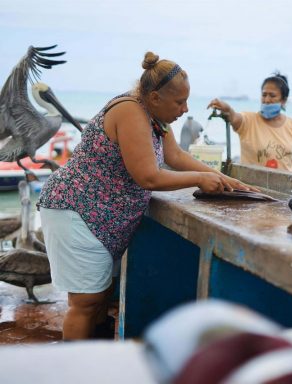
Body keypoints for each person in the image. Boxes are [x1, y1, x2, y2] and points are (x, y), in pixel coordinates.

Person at [37, 52, 254, 340]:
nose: (185, 109)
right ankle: (74, 371)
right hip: (76, 211)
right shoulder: (131, 112)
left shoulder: (155, 117)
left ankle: (96, 361)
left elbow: (175, 156)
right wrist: (200, 179)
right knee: (85, 303)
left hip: (100, 217)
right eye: (179, 102)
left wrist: (225, 179)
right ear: (154, 97)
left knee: (99, 298)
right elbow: (148, 176)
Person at [207, 72, 292, 174]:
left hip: (287, 188)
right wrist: (227, 108)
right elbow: (233, 116)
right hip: (254, 186)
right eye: (264, 95)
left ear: (283, 100)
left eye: (272, 96)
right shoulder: (248, 121)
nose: (267, 100)